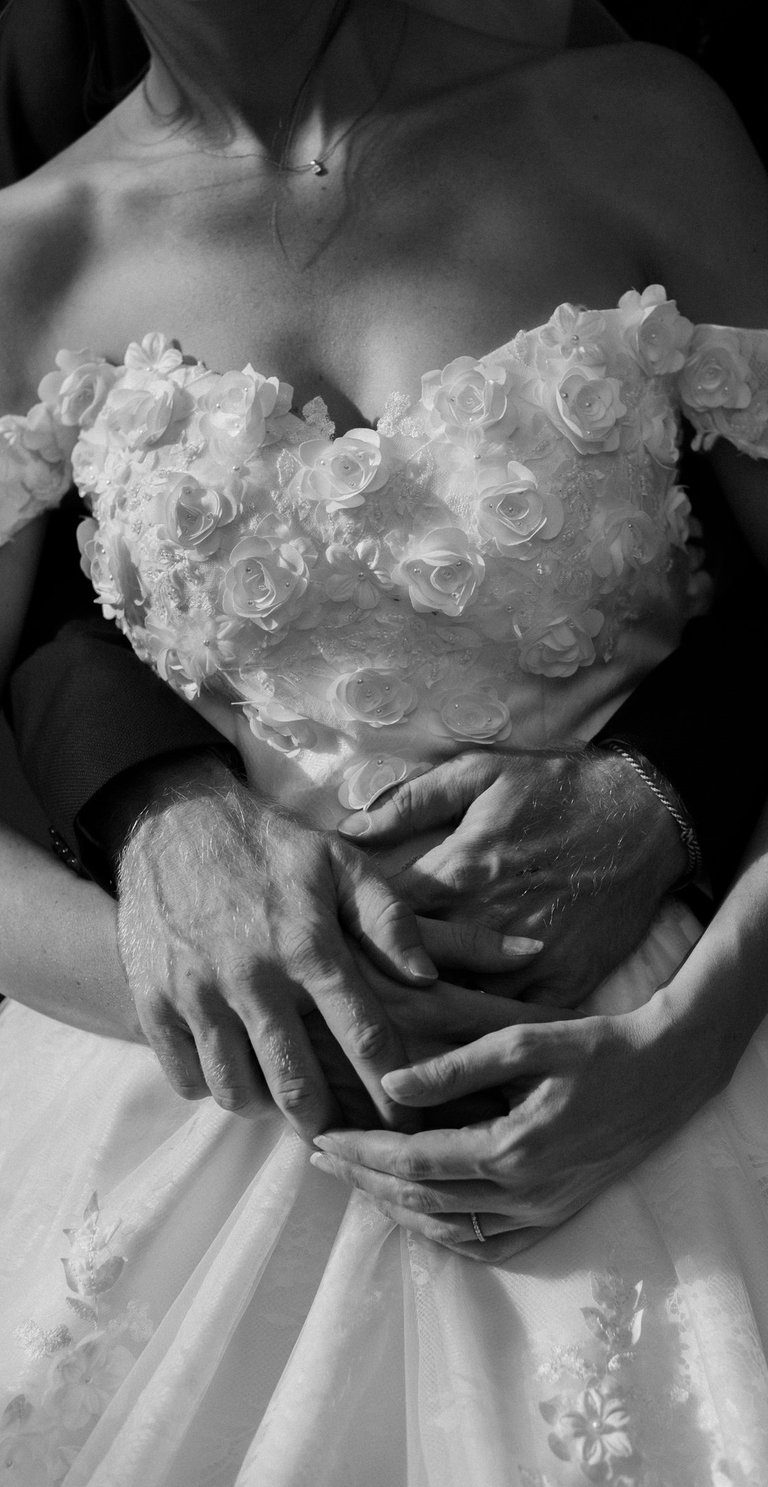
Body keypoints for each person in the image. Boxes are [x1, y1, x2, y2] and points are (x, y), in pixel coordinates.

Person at [2, 2, 768, 1484]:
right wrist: (225, 995)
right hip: (210, 1108)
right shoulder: (33, 251)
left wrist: (699, 1031)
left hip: (678, 1033)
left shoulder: (633, 126)